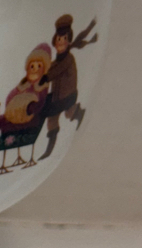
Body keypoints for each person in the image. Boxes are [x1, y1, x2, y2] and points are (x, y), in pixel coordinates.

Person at [38, 15, 98, 159]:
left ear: (68, 41)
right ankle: (49, 150)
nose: (60, 42)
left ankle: (50, 152)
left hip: (67, 95)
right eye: (58, 39)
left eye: (64, 39)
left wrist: (46, 77)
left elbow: (57, 71)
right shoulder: (56, 61)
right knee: (54, 117)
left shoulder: (68, 59)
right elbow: (51, 69)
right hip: (58, 96)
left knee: (63, 113)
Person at [0, 42, 52, 137]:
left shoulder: (42, 86)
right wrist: (11, 105)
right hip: (14, 114)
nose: (35, 69)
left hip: (30, 116)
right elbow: (12, 95)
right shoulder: (24, 84)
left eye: (39, 66)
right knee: (0, 122)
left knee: (12, 127)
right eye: (32, 66)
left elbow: (40, 103)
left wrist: (29, 108)